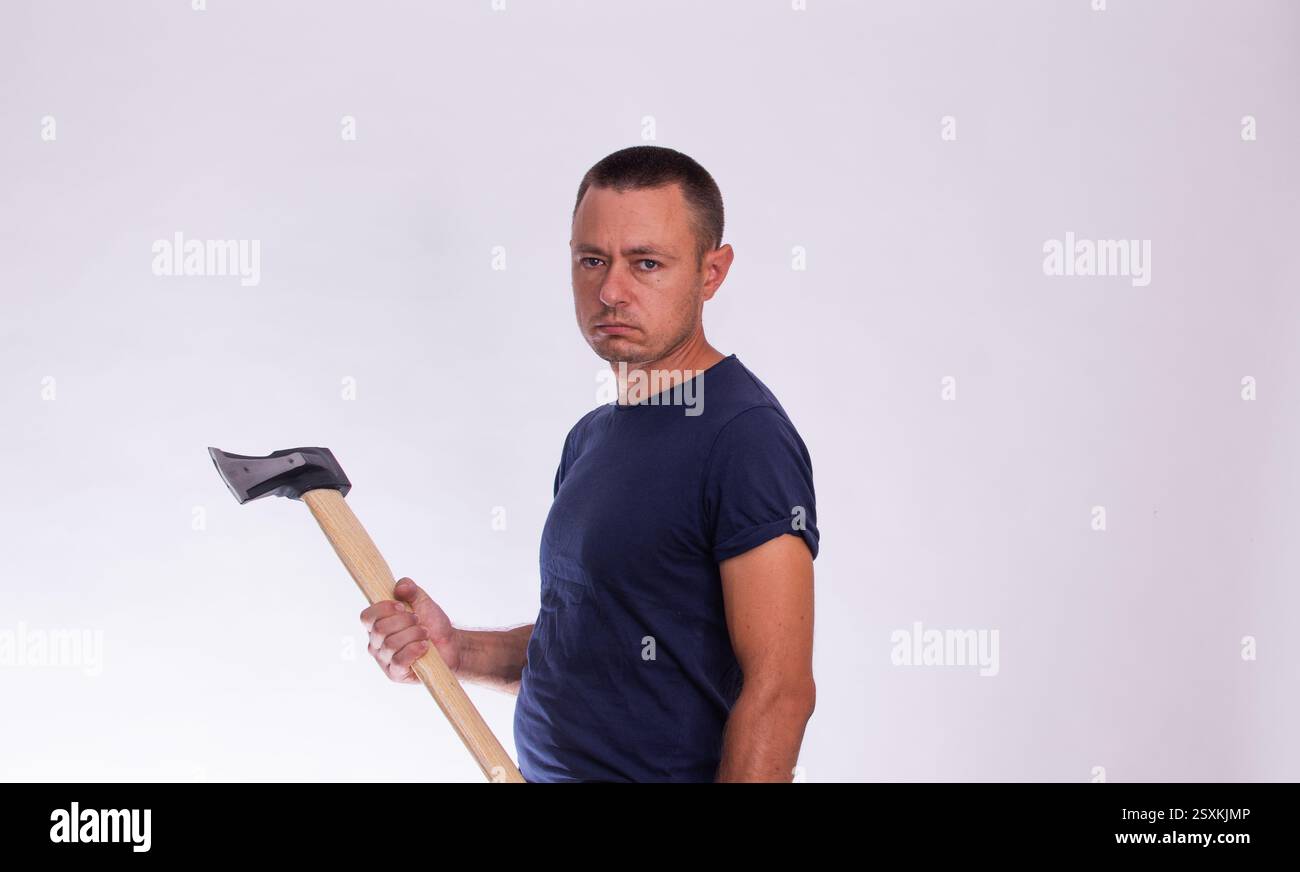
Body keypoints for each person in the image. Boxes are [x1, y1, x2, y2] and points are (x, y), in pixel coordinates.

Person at [361, 145, 819, 782]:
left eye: (647, 264)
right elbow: (582, 640)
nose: (610, 291)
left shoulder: (744, 436)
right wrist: (459, 649)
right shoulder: (592, 438)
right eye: (592, 261)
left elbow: (780, 691)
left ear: (712, 272)